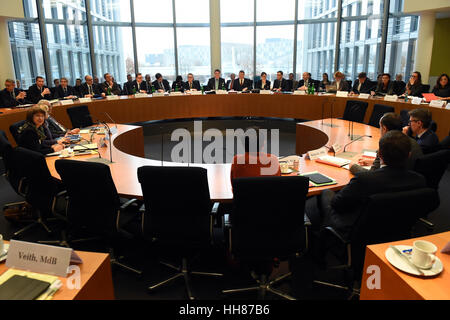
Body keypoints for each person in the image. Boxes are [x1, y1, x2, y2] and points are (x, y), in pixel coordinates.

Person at [305, 130, 426, 240]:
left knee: (327, 193)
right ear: (409, 155)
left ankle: (321, 240)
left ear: (380, 155)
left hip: (359, 231)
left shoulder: (365, 179)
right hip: (399, 229)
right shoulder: (420, 180)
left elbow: (337, 204)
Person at [350, 113, 423, 175]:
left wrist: (353, 167)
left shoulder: (387, 145)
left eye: (380, 127)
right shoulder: (413, 142)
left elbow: (372, 175)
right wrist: (374, 162)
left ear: (384, 129)